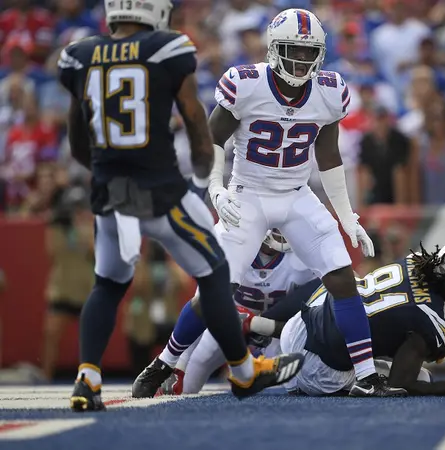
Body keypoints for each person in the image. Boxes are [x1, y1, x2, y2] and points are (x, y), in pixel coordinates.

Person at [137, 8, 402, 398]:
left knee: (342, 278)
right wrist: (216, 188)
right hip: (249, 194)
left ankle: (367, 376)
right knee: (214, 290)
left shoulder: (329, 91)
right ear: (275, 49)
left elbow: (329, 157)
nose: (302, 59)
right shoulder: (247, 84)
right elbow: (212, 139)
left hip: (296, 194)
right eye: (294, 50)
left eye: (310, 52)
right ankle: (164, 362)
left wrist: (346, 216)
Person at [57, 0, 304, 411]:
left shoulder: (80, 54)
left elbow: (77, 138)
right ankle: (244, 372)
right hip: (159, 190)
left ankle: (88, 376)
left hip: (109, 192)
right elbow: (195, 121)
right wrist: (204, 179)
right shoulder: (167, 48)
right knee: (215, 272)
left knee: (108, 284)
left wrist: (104, 173)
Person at [248, 240, 445, 397]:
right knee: (423, 379)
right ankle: (297, 376)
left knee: (346, 286)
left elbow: (388, 317)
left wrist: (421, 342)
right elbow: (401, 384)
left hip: (301, 324)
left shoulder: (414, 262)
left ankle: (264, 324)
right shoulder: (433, 321)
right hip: (318, 370)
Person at [158, 228, 320, 395]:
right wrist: (180, 364)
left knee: (289, 388)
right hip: (227, 324)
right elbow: (202, 307)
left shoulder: (304, 255)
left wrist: (259, 324)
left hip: (276, 332)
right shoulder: (227, 242)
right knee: (190, 375)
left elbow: (315, 311)